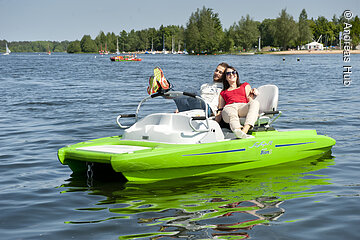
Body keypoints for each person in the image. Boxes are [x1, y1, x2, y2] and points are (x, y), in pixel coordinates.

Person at [215, 66, 260, 139]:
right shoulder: (223, 92)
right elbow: (220, 109)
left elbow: (250, 100)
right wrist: (216, 121)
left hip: (242, 107)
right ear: (226, 78)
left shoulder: (245, 85)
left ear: (237, 75)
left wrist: (255, 111)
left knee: (255, 103)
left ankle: (244, 131)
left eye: (233, 72)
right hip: (229, 109)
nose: (231, 74)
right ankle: (237, 130)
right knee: (230, 109)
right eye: (228, 73)